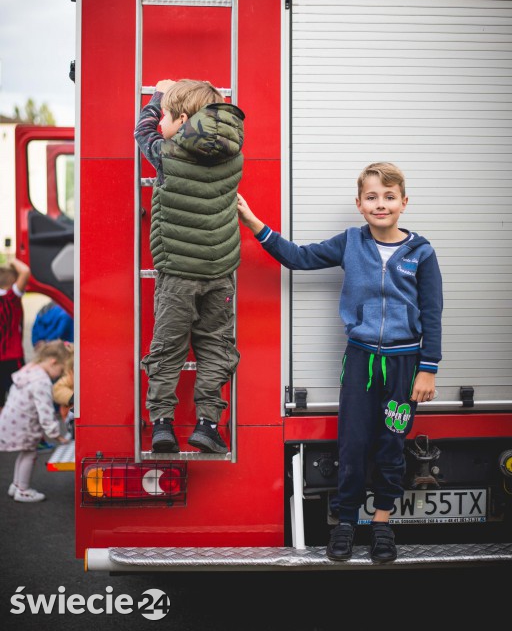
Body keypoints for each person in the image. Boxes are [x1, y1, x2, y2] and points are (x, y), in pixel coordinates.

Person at [237, 162, 443, 563]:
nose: (380, 204)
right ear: (359, 204)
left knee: (391, 445)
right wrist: (253, 222)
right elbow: (298, 257)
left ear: (404, 202)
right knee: (352, 446)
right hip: (360, 362)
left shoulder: (421, 252)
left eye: (388, 196)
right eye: (371, 197)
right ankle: (347, 523)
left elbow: (432, 312)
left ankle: (382, 524)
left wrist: (428, 367)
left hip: (405, 366)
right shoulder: (350, 242)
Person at [135, 78, 244, 454]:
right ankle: (208, 425)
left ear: (182, 120)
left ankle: (162, 423)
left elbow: (142, 130)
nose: (160, 120)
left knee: (168, 347)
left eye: (167, 115)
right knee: (217, 347)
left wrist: (155, 96)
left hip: (177, 274)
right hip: (221, 275)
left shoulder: (167, 153)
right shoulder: (234, 154)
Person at [0, 339, 73, 502]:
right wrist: (55, 433)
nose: (60, 374)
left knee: (24, 452)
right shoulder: (42, 381)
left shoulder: (30, 369)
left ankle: (16, 485)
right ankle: (23, 490)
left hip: (11, 420)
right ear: (53, 362)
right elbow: (45, 411)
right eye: (61, 370)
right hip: (23, 425)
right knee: (30, 453)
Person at [0, 257, 31, 410]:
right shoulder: (11, 298)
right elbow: (25, 271)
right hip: (12, 358)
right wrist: (11, 259)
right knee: (19, 398)